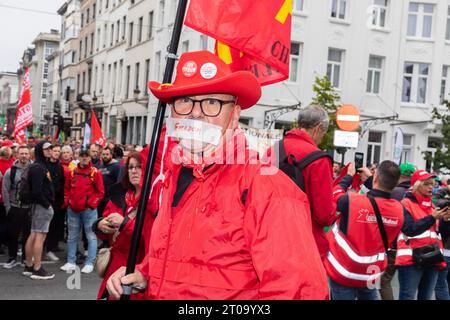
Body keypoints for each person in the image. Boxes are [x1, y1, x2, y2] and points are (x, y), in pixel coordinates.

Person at [106, 50, 329, 300]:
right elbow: (184, 260)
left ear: (234, 116)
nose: (195, 112)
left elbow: (300, 291)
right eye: (184, 101)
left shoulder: (267, 186)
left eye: (212, 102)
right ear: (173, 113)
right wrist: (146, 274)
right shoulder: (173, 177)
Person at [325, 161, 405, 300]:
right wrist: (370, 180)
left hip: (344, 269)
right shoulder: (399, 210)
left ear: (375, 178)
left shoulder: (354, 201)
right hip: (371, 271)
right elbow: (378, 199)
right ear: (396, 183)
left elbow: (334, 194)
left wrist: (348, 177)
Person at [266, 104, 336, 260]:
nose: (321, 138)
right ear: (318, 128)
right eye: (323, 133)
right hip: (304, 241)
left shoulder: (273, 150)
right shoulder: (319, 159)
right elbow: (323, 215)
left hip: (271, 235)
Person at [93, 151, 148, 299]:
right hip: (114, 267)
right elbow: (104, 229)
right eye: (130, 167)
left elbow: (152, 238)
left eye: (139, 167)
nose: (134, 171)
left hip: (138, 270)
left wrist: (124, 223)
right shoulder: (120, 196)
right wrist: (100, 225)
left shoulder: (155, 200)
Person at [396, 170, 449, 300]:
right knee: (407, 296)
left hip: (432, 257)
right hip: (411, 260)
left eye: (432, 184)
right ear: (416, 185)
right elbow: (409, 229)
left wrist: (446, 220)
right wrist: (432, 218)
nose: (431, 187)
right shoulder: (405, 204)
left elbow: (440, 233)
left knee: (426, 297)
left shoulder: (432, 206)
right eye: (427, 184)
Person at [61, 147, 105, 274]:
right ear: (78, 157)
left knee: (91, 236)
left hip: (88, 210)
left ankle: (90, 262)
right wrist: (68, 202)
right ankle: (70, 261)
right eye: (82, 155)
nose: (84, 158)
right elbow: (67, 189)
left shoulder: (95, 172)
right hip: (73, 209)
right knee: (72, 236)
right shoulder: (72, 172)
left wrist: (91, 204)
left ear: (90, 157)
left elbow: (100, 192)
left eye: (86, 155)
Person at [379, 162, 416, 300]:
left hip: (392, 244)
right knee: (407, 287)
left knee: (384, 281)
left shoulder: (393, 192)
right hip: (413, 246)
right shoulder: (416, 194)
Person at [23, 141, 55, 280]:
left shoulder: (40, 166)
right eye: (46, 149)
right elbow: (37, 191)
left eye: (50, 148)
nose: (49, 151)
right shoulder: (38, 167)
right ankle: (36, 268)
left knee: (34, 235)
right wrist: (47, 205)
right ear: (39, 150)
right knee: (39, 237)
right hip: (41, 206)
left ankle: (29, 265)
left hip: (39, 206)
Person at [2, 145, 32, 268]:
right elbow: (5, 189)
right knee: (13, 235)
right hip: (15, 207)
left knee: (28, 235)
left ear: (29, 155)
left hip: (29, 208)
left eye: (26, 153)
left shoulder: (34, 169)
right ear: (17, 155)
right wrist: (8, 207)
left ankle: (26, 258)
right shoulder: (11, 171)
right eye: (22, 153)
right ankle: (12, 257)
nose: (24, 156)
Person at [44, 144, 65, 260]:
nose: (57, 153)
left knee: (54, 227)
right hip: (46, 201)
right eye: (55, 151)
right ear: (50, 152)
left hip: (57, 201)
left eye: (59, 151)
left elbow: (61, 184)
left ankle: (50, 249)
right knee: (43, 227)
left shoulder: (60, 167)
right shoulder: (45, 166)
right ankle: (42, 248)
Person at [97, 147, 121, 218]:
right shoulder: (99, 166)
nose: (105, 156)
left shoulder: (116, 166)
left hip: (109, 199)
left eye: (107, 154)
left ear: (111, 155)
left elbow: (118, 183)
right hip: (100, 199)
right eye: (103, 154)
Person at [0, 146, 14, 253]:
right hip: (8, 198)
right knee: (6, 221)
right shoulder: (12, 166)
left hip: (3, 197)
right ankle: (4, 243)